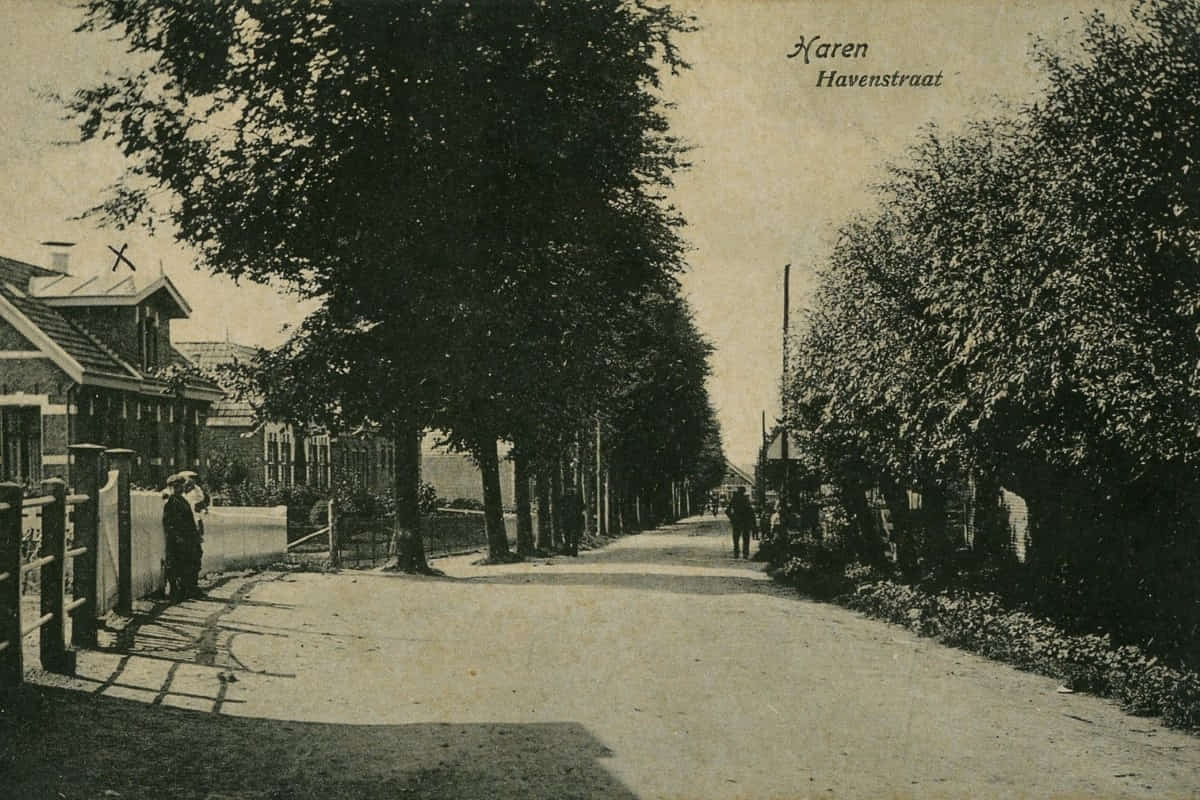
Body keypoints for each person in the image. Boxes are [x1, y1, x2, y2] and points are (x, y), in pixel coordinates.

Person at [162, 473, 198, 602]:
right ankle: (174, 592)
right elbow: (169, 522)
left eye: (181, 486)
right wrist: (177, 537)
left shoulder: (182, 501)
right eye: (176, 486)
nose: (180, 488)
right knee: (175, 565)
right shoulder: (171, 502)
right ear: (171, 487)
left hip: (187, 538)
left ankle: (185, 590)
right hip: (177, 539)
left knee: (186, 564)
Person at [180, 472, 209, 598]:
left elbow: (199, 511)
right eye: (189, 481)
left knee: (195, 558)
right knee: (189, 560)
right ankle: (188, 587)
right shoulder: (184, 496)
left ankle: (192, 586)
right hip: (186, 533)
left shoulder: (196, 492)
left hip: (193, 532)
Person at [727, 486, 756, 558]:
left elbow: (727, 511)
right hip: (746, 521)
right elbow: (750, 511)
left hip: (737, 521)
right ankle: (745, 554)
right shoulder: (746, 499)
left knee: (736, 538)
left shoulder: (734, 499)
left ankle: (736, 553)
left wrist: (732, 518)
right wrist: (753, 521)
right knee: (746, 538)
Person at [560, 487, 584, 556]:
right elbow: (582, 507)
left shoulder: (565, 498)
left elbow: (560, 507)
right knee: (573, 536)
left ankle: (568, 551)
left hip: (568, 520)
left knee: (568, 536)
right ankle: (573, 552)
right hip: (574, 520)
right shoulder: (577, 498)